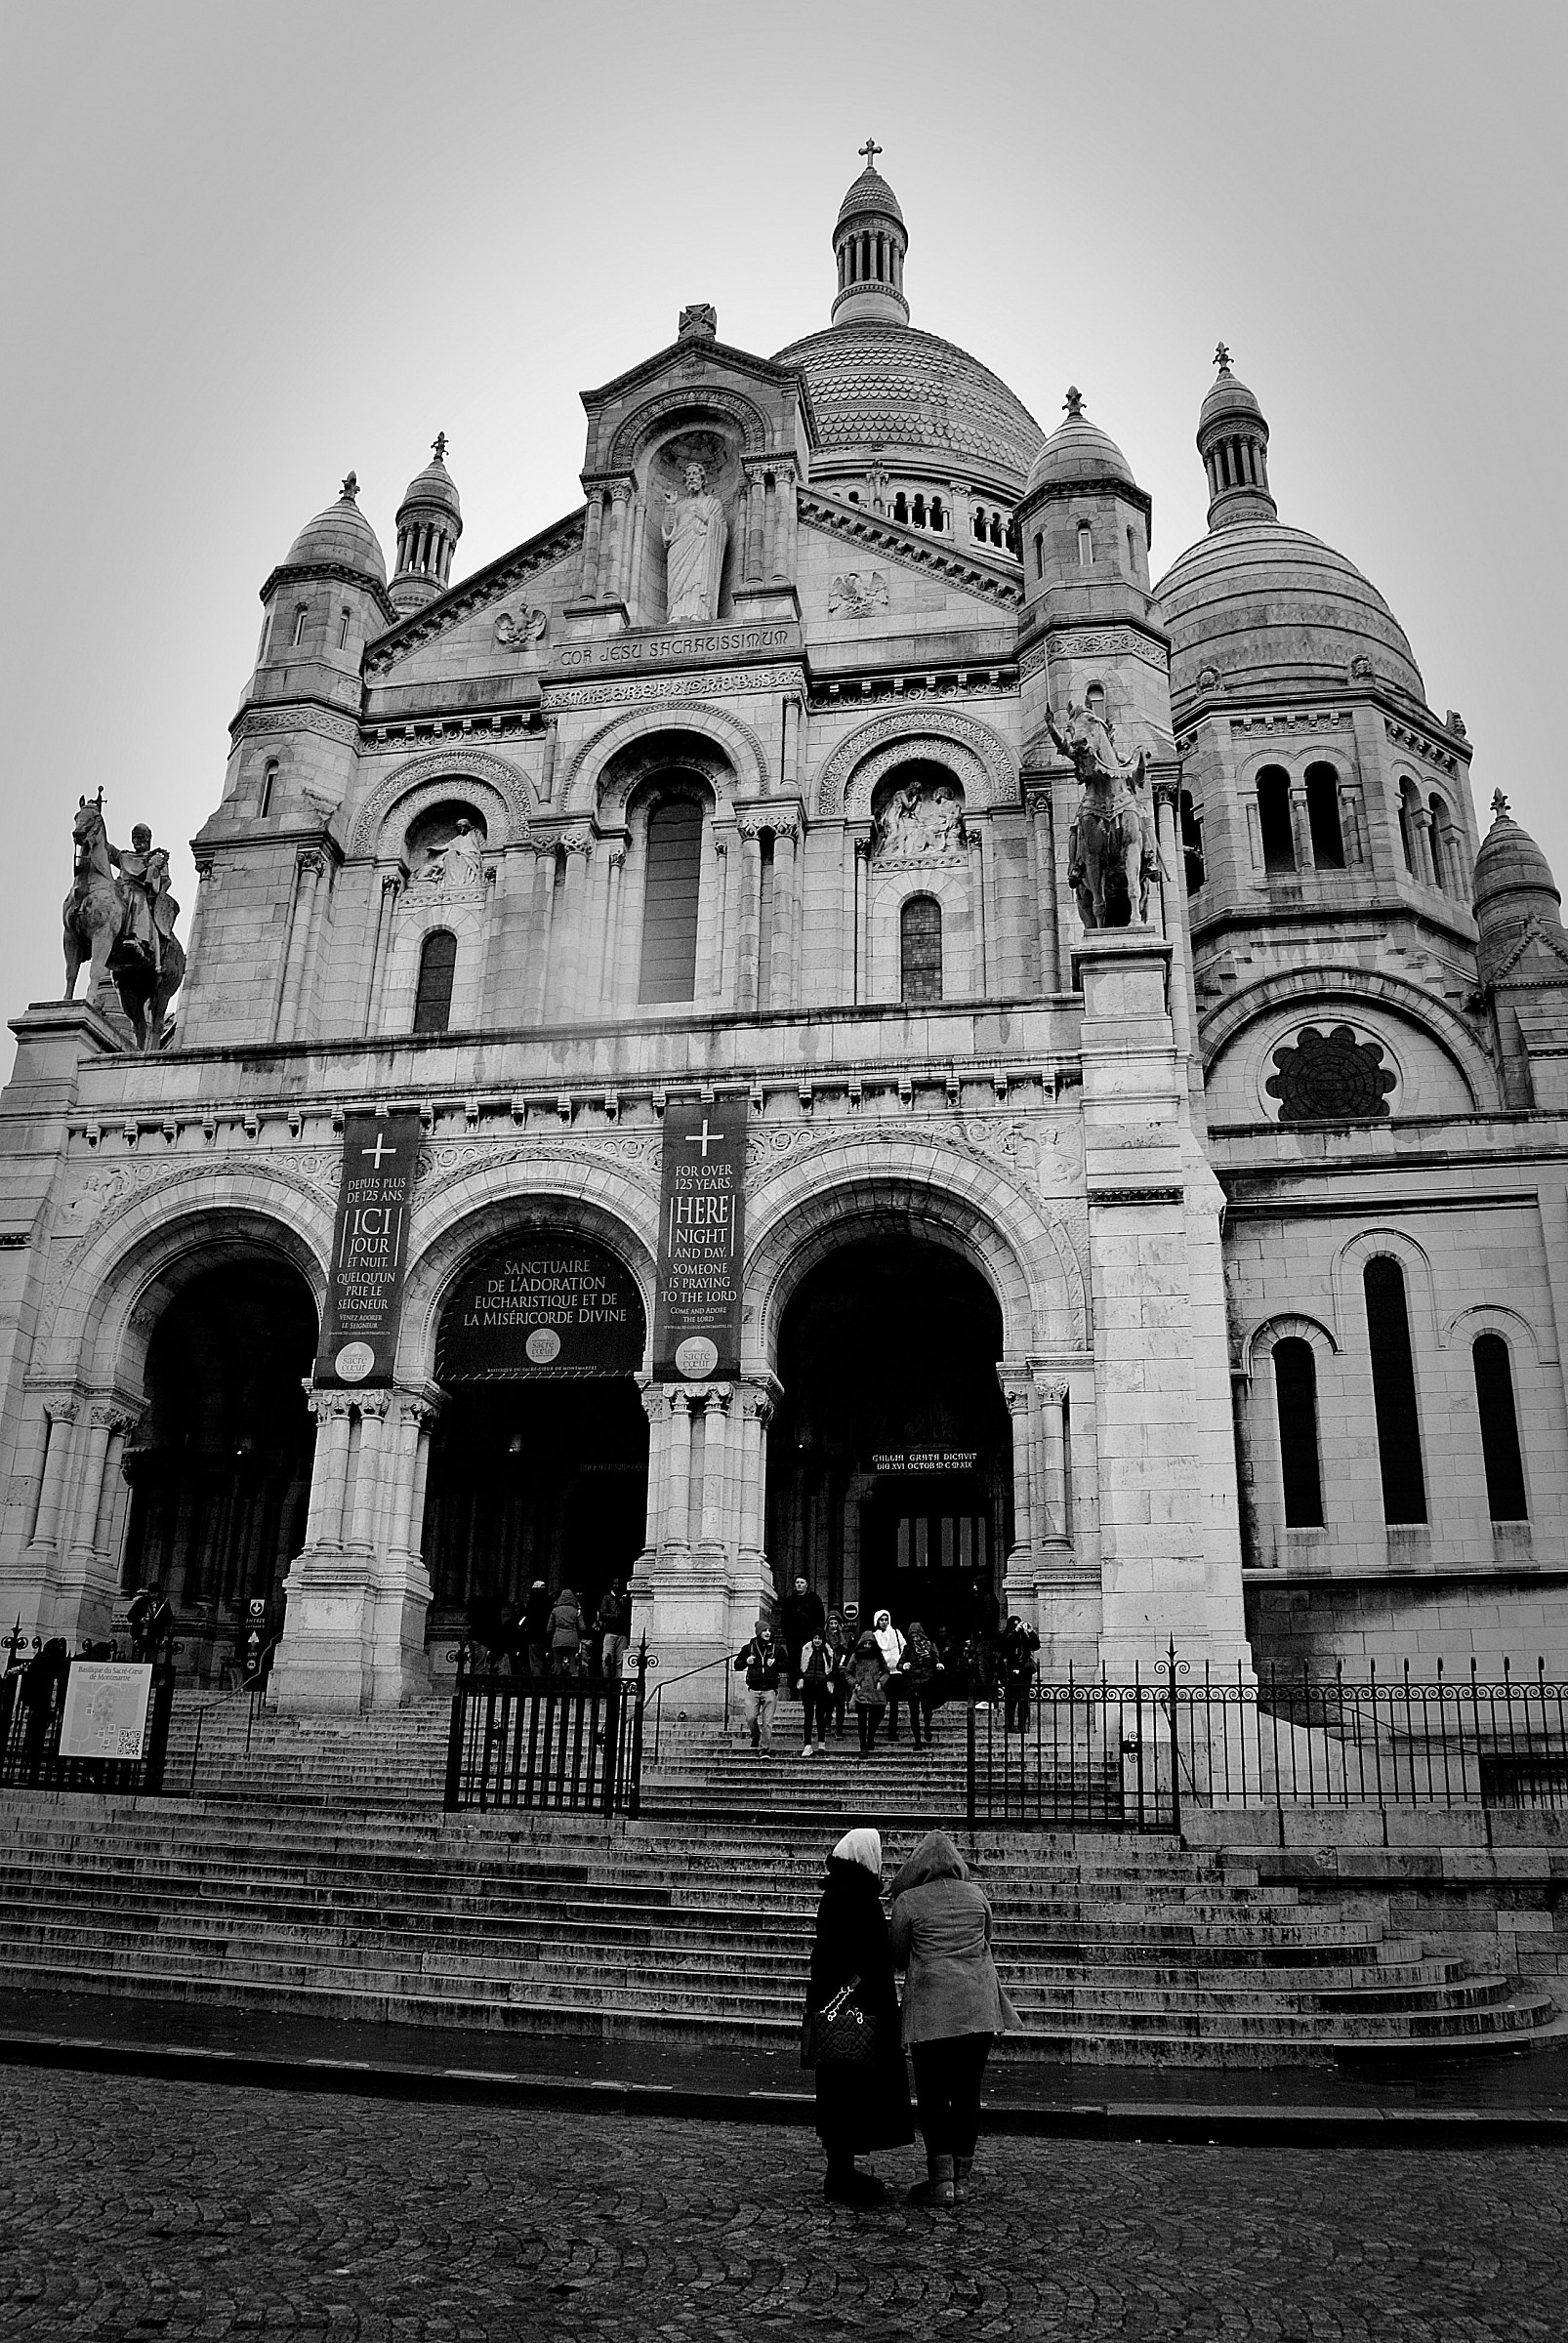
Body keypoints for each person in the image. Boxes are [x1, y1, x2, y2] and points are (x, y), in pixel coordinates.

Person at [888, 1829, 1022, 2208]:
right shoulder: (977, 1896)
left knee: (932, 2094)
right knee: (967, 2093)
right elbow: (987, 1940)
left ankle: (940, 2182)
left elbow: (897, 1956)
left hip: (932, 2011)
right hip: (978, 2008)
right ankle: (962, 2180)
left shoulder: (908, 1902)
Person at [802, 1828, 913, 2205]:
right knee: (847, 2085)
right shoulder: (854, 1898)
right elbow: (862, 1956)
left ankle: (843, 2167)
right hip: (853, 2007)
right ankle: (841, 2172)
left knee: (841, 2087)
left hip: (839, 2004)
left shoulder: (840, 1892)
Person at [732, 1619, 787, 1749]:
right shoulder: (748, 1648)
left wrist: (775, 1665)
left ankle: (764, 1748)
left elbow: (786, 1666)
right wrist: (746, 1661)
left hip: (770, 1689)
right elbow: (737, 1665)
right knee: (750, 1717)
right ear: (758, 1633)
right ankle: (755, 1735)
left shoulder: (777, 1649)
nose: (767, 1633)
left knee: (767, 1722)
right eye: (764, 1631)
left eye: (769, 1630)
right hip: (753, 1689)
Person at [779, 1575, 826, 1698]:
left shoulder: (814, 1599)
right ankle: (794, 1692)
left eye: (802, 1582)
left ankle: (810, 1693)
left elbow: (820, 1619)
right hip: (793, 1640)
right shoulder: (789, 1601)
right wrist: (788, 1635)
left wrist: (816, 1637)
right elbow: (784, 1620)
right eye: (797, 1582)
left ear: (806, 1585)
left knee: (810, 1664)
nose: (799, 1584)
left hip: (810, 1639)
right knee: (793, 1666)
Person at [903, 1619, 945, 1748]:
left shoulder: (930, 1646)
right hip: (913, 1683)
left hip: (927, 1681)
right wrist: (904, 1665)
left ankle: (927, 1727)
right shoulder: (908, 1648)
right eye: (912, 1637)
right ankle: (917, 1741)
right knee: (914, 1713)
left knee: (927, 1709)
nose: (915, 1639)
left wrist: (938, 1665)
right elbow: (901, 1662)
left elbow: (936, 1660)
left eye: (916, 1636)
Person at [848, 1628, 889, 1758]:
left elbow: (886, 1671)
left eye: (869, 1643)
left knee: (877, 1715)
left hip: (875, 1691)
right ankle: (863, 1747)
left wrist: (881, 1682)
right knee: (862, 1721)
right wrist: (855, 1683)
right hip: (862, 1691)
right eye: (865, 1643)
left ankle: (870, 1738)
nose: (867, 1646)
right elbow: (848, 1672)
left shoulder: (878, 1656)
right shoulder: (856, 1656)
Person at [798, 1627, 836, 1756]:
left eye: (819, 1638)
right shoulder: (806, 1650)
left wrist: (829, 1681)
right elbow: (800, 1666)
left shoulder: (828, 1651)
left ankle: (821, 1741)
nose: (817, 1641)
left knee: (820, 1715)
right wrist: (801, 1678)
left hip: (821, 1685)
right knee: (808, 1716)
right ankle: (807, 1744)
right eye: (815, 1638)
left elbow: (832, 1668)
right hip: (808, 1684)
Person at [1000, 1616, 1042, 1733]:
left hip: (1024, 1671)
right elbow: (1005, 1646)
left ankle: (1022, 1725)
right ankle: (1010, 1725)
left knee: (1023, 1699)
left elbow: (1035, 1646)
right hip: (1011, 1672)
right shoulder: (1007, 1636)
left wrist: (1030, 1631)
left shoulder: (1023, 1635)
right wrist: (1015, 1632)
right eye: (1015, 1624)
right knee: (1011, 1700)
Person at [873, 1609, 907, 1739]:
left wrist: (900, 1663)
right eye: (881, 1620)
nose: (884, 1622)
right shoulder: (875, 1636)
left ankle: (892, 1731)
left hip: (896, 1672)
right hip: (883, 1674)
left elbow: (904, 1648)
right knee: (880, 1703)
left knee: (894, 1704)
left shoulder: (896, 1633)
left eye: (886, 1619)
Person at [595, 1581, 632, 1683]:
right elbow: (602, 1614)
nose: (616, 1586)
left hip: (623, 1633)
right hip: (610, 1631)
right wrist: (616, 1616)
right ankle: (607, 1683)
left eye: (618, 1584)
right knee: (607, 1659)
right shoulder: (607, 1598)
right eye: (614, 1583)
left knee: (620, 1661)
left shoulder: (627, 1598)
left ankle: (618, 1684)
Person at [546, 1585, 584, 1678]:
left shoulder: (555, 1610)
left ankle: (558, 1687)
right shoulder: (576, 1611)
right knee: (572, 1665)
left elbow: (549, 1628)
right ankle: (574, 1685)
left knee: (557, 1666)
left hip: (558, 1640)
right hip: (572, 1639)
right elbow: (582, 1627)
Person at [824, 1608, 850, 1739]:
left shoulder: (845, 1639)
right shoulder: (824, 1639)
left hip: (841, 1674)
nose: (833, 1626)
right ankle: (827, 1723)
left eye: (835, 1623)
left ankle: (839, 1729)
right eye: (831, 1623)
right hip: (828, 1674)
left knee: (840, 1702)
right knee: (829, 1701)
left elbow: (848, 1655)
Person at [521, 1580, 551, 1678]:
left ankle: (537, 1686)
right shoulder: (548, 1602)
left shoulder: (532, 1603)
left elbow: (527, 1618)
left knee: (535, 1663)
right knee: (543, 1662)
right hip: (545, 1636)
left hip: (534, 1637)